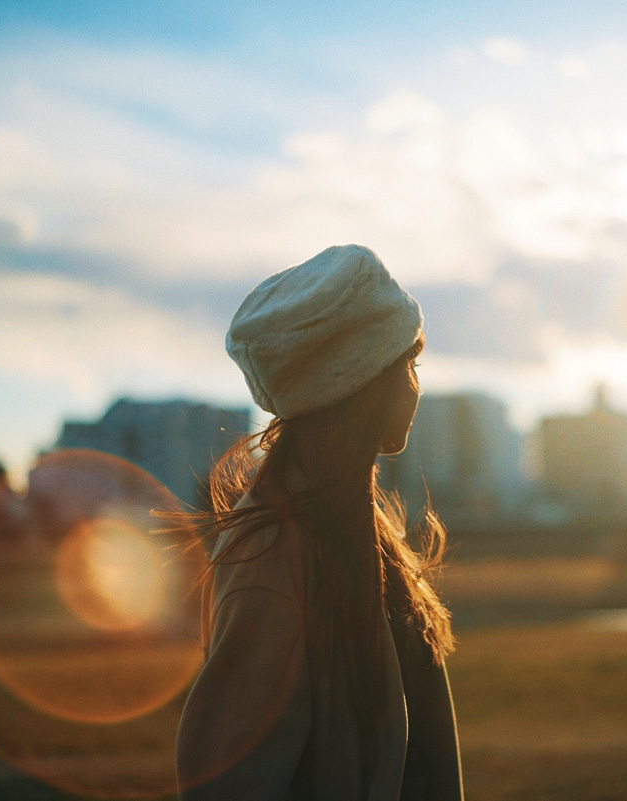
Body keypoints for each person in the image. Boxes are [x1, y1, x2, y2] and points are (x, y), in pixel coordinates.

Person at [175, 244, 463, 801]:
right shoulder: (275, 560)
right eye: (410, 364)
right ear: (364, 386)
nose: (416, 386)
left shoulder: (358, 522)